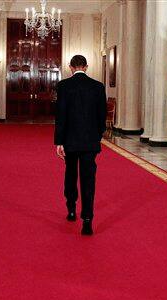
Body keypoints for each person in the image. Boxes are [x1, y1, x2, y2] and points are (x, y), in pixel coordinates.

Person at [54, 55, 107, 236]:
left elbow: (60, 116)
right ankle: (87, 220)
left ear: (70, 67)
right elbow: (102, 116)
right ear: (86, 67)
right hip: (90, 141)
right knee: (88, 180)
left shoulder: (63, 86)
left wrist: (59, 141)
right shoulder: (98, 87)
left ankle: (71, 209)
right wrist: (98, 136)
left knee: (70, 174)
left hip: (70, 140)